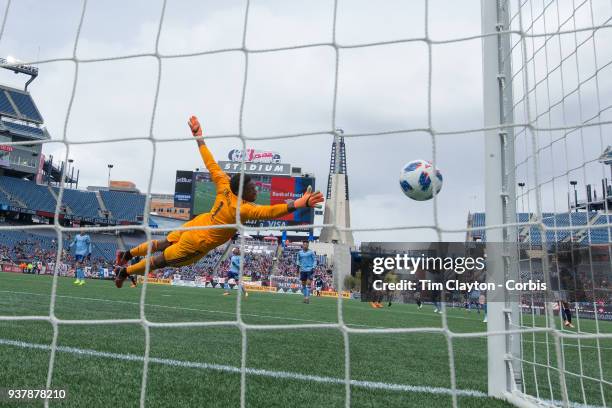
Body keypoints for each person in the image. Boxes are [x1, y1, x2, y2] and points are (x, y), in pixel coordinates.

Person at [113, 116, 323, 288]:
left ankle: (128, 253)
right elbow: (271, 212)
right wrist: (299, 203)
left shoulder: (224, 183)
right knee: (163, 260)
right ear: (242, 192)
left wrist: (199, 138)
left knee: (165, 242)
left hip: (201, 222)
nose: (256, 190)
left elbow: (210, 162)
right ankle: (126, 270)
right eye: (252, 188)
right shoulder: (243, 209)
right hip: (199, 241)